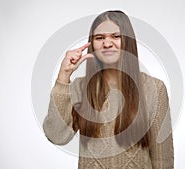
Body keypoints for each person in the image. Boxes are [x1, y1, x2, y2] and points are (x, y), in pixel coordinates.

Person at [43, 10, 174, 169]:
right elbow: (56, 136)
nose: (107, 43)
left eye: (115, 36)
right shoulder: (79, 87)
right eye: (100, 38)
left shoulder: (155, 89)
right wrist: (63, 76)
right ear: (92, 44)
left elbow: (163, 158)